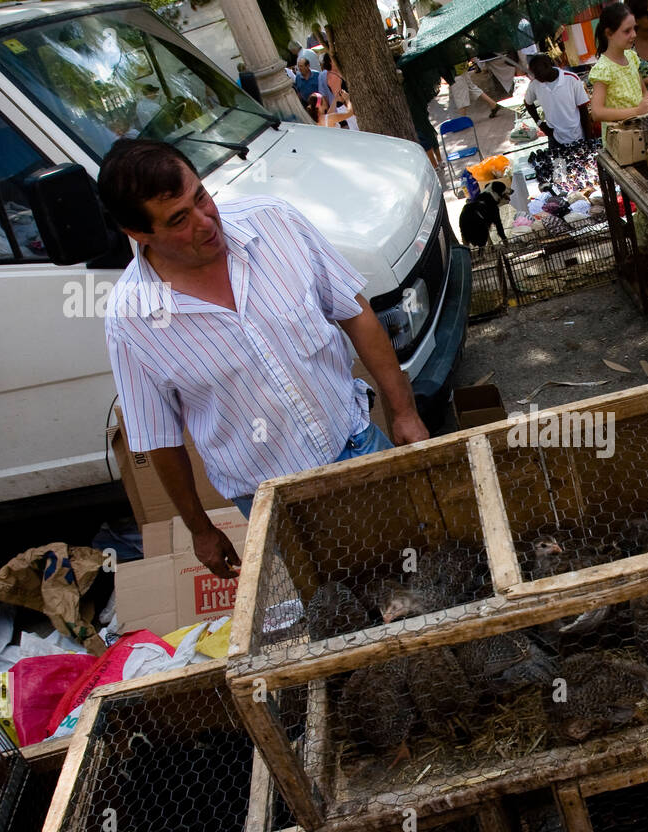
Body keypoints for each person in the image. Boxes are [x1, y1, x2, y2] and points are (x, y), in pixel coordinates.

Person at [98, 139, 428, 575]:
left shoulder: (276, 223)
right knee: (343, 609)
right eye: (179, 219)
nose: (205, 221)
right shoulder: (131, 319)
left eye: (201, 197)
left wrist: (403, 411)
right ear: (140, 235)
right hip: (274, 502)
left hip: (358, 447)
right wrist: (200, 529)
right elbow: (158, 438)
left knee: (424, 566)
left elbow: (356, 312)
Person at [588, 3, 648, 146]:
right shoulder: (603, 69)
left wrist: (647, 104)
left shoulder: (631, 57)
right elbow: (597, 112)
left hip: (640, 133)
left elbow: (643, 92)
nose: (634, 34)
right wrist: (637, 111)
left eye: (634, 29)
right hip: (620, 142)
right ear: (609, 34)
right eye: (627, 31)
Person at [524, 55, 592, 146]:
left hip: (577, 136)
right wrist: (540, 124)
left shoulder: (571, 79)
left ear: (548, 65)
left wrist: (589, 139)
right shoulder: (535, 84)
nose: (536, 76)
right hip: (554, 138)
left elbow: (583, 110)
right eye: (534, 73)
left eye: (538, 72)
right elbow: (528, 103)